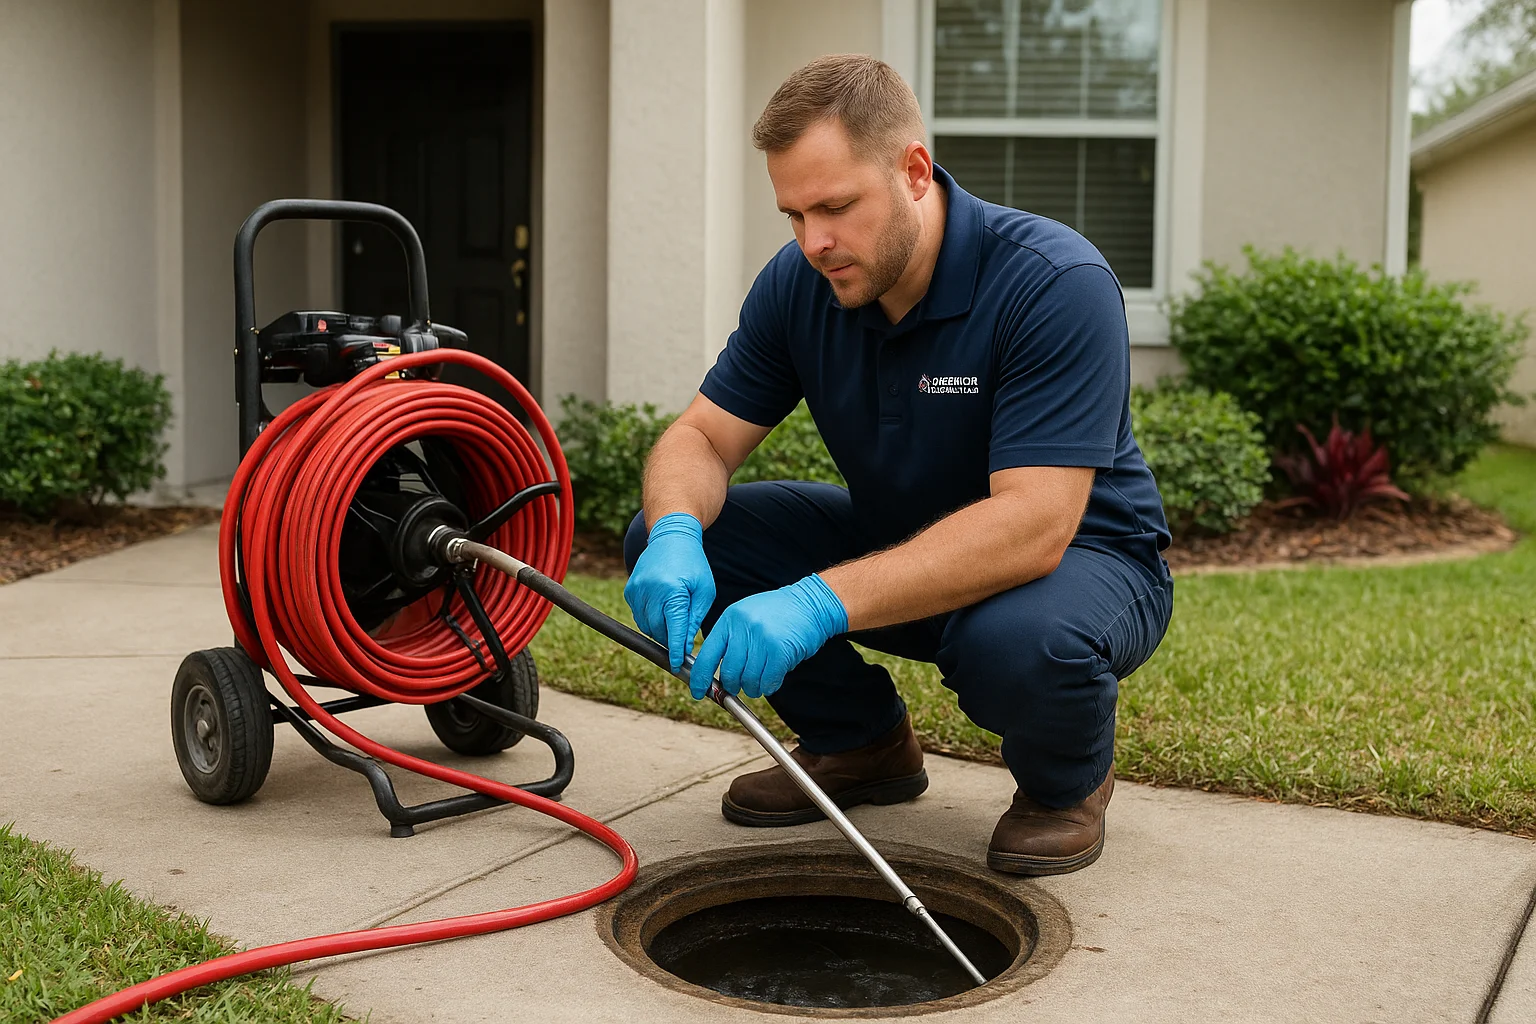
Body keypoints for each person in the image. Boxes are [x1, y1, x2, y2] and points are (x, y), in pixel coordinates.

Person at [621, 54, 1173, 876]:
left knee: (1017, 643)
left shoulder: (1053, 281)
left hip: (1079, 567)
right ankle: (862, 743)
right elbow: (700, 438)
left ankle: (1065, 787)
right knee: (695, 530)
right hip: (899, 544)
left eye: (837, 207)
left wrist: (815, 603)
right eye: (794, 215)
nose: (815, 243)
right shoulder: (803, 283)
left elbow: (1034, 524)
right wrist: (672, 529)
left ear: (914, 171)